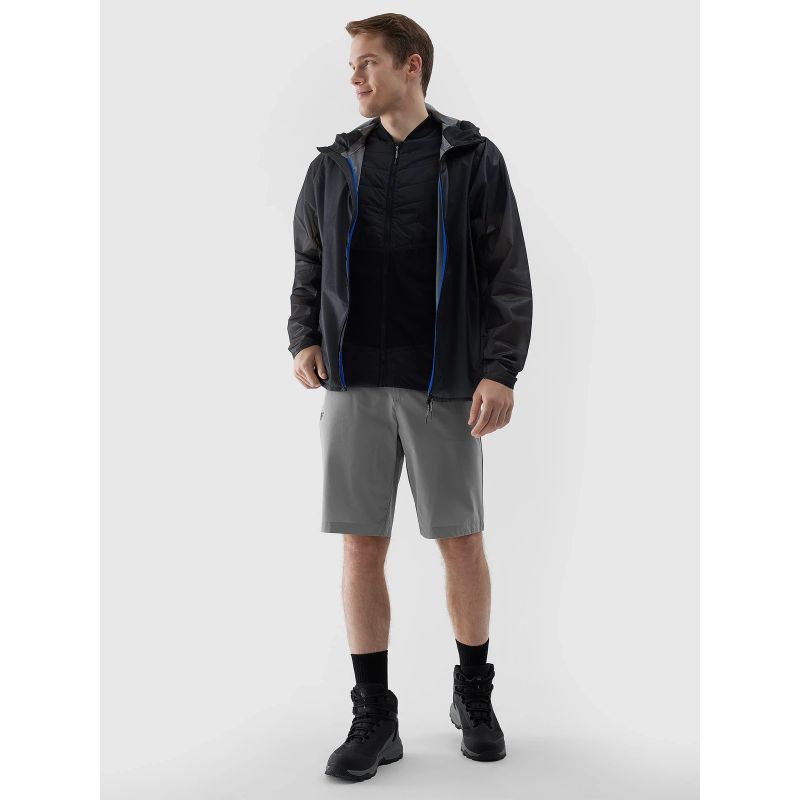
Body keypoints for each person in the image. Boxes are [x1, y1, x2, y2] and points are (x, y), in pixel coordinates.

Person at [287, 13, 533, 781]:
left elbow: (507, 272)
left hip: (443, 381)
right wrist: (303, 336)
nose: (354, 76)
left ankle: (474, 695)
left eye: (368, 63)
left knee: (460, 539)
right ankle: (374, 715)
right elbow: (307, 260)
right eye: (351, 65)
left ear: (411, 66)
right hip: (353, 381)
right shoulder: (334, 165)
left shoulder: (472, 159)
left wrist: (501, 369)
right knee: (362, 544)